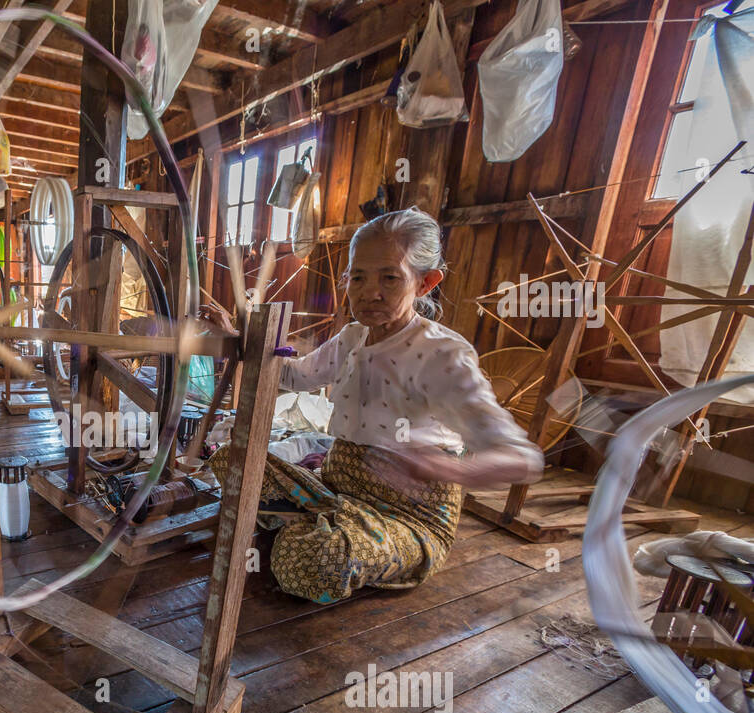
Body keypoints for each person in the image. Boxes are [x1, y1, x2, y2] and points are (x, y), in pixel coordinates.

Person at [212, 206, 544, 605]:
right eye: (359, 277)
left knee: (314, 559)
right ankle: (320, 523)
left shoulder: (443, 355)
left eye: (390, 277)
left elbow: (522, 459)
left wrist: (443, 467)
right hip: (336, 491)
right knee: (230, 458)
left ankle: (321, 534)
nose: (370, 292)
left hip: (408, 516)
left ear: (425, 283)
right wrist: (236, 337)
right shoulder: (354, 337)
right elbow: (292, 376)